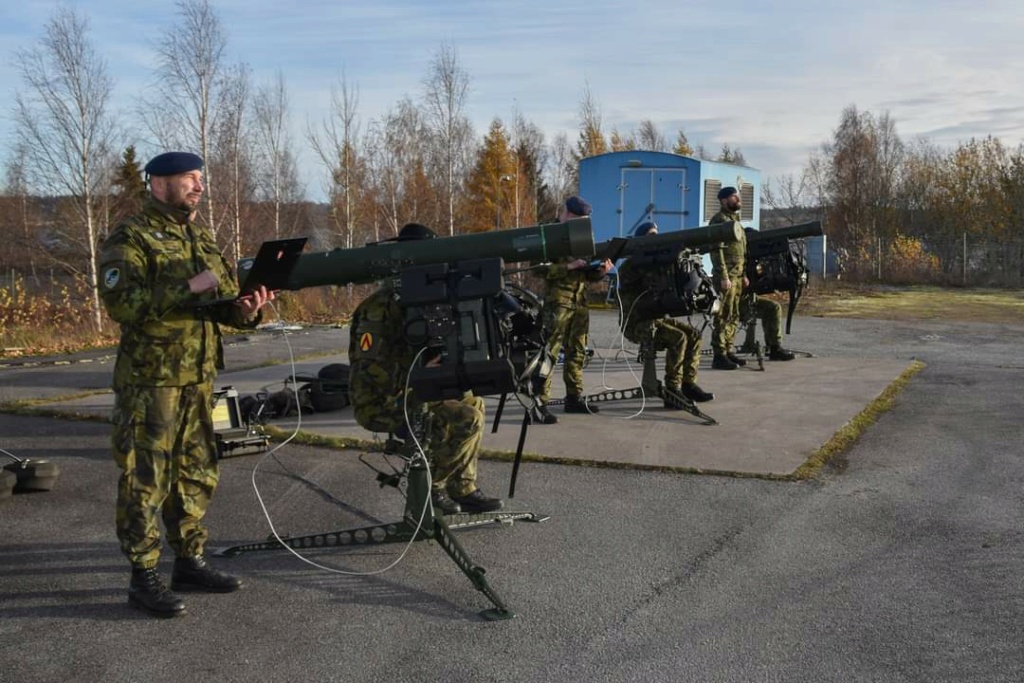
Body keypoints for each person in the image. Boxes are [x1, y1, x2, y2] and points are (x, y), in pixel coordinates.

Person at [98, 152, 275, 619]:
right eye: (188, 178)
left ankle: (190, 561)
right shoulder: (130, 236)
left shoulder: (200, 236)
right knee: (146, 477)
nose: (198, 185)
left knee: (195, 472)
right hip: (150, 382)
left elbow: (218, 306)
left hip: (198, 377)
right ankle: (143, 576)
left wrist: (247, 308)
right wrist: (190, 286)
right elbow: (123, 304)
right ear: (158, 183)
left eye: (200, 178)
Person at [348, 222, 503, 517]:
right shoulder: (379, 308)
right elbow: (369, 369)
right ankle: (434, 486)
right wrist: (418, 372)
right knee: (466, 419)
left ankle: (464, 488)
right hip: (382, 400)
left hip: (413, 387)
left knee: (475, 402)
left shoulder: (420, 299)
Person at [533, 196, 612, 423]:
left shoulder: (583, 234)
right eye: (577, 219)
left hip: (579, 300)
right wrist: (568, 266)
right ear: (566, 213)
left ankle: (574, 398)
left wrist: (601, 270)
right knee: (549, 351)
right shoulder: (548, 232)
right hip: (558, 301)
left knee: (577, 350)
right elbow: (537, 269)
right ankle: (539, 403)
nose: (581, 223)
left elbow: (587, 273)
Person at [616, 221, 714, 404]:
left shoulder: (658, 262)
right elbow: (639, 289)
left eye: (657, 235)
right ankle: (673, 389)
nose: (656, 239)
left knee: (694, 335)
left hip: (656, 319)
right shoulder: (631, 266)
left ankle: (688, 384)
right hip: (636, 323)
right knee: (679, 338)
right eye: (651, 235)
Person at [708, 186, 749, 370]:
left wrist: (744, 274)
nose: (737, 199)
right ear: (724, 201)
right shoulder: (719, 221)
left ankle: (729, 350)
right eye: (734, 197)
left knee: (734, 315)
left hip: (738, 275)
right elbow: (716, 251)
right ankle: (719, 354)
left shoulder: (736, 220)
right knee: (723, 315)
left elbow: (743, 250)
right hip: (727, 276)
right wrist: (724, 275)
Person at [739, 228, 795, 361]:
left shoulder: (752, 261)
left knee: (773, 307)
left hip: (748, 299)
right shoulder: (736, 261)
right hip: (737, 303)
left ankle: (774, 347)